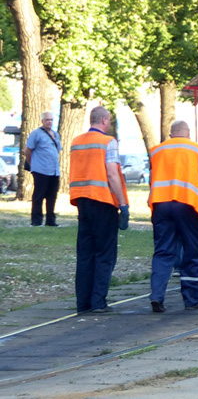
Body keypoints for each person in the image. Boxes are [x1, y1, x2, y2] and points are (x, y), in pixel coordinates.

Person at [148, 120, 198, 312]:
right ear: (188, 134)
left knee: (163, 251)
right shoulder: (195, 149)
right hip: (188, 205)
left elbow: (152, 178)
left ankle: (156, 295)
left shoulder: (157, 150)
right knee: (191, 251)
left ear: (171, 135)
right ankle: (191, 299)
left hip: (161, 205)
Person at [69, 106, 129, 314]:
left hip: (82, 202)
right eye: (109, 120)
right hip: (103, 202)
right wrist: (123, 204)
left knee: (85, 253)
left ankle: (82, 303)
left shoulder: (76, 142)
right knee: (104, 253)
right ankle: (98, 302)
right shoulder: (108, 142)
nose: (110, 123)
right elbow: (112, 174)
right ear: (104, 120)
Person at [25, 111, 62, 227]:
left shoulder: (56, 135)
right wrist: (33, 164)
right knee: (39, 195)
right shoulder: (36, 134)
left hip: (54, 171)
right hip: (41, 170)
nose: (49, 122)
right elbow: (27, 151)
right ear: (42, 121)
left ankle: (51, 220)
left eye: (51, 120)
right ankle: (36, 220)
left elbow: (58, 150)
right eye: (47, 120)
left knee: (52, 196)